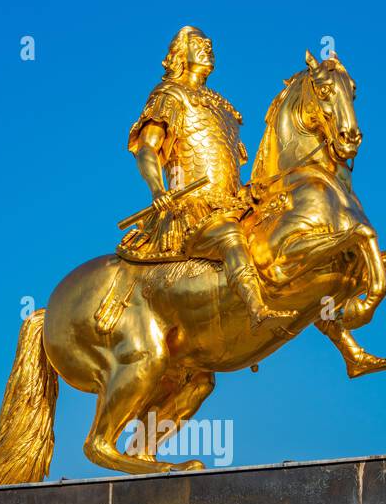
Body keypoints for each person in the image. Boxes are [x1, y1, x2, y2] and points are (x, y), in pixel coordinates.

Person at [119, 25, 290, 328]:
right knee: (229, 236)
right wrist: (159, 191)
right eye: (198, 43)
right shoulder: (169, 96)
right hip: (192, 209)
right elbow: (147, 148)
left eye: (208, 42)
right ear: (179, 55)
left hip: (233, 202)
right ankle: (257, 311)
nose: (207, 46)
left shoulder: (221, 106)